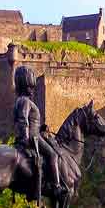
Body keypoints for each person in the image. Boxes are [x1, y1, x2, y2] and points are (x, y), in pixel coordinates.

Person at [12, 66, 65, 197]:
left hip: (34, 134)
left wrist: (42, 129)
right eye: (31, 87)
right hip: (32, 137)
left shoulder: (21, 101)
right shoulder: (25, 102)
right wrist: (25, 138)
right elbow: (23, 120)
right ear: (27, 87)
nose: (33, 90)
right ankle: (56, 186)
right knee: (53, 155)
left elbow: (30, 121)